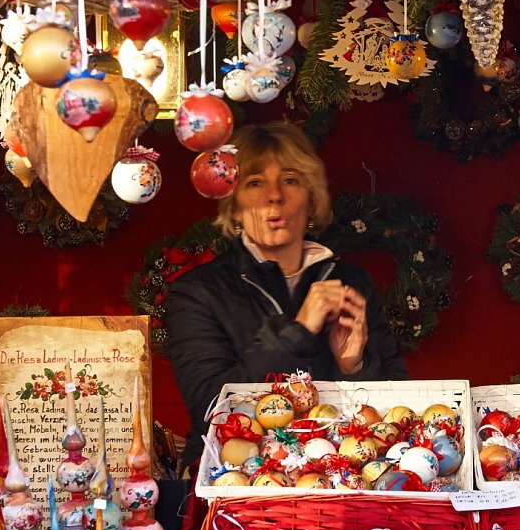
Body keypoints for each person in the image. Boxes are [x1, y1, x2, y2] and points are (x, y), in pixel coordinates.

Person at [166, 122, 409, 469]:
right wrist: (297, 331)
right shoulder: (198, 293)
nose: (274, 196)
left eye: (291, 181)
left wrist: (355, 366)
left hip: (340, 485)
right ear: (234, 206)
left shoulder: (351, 283)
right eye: (254, 183)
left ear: (311, 200)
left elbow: (399, 415)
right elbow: (210, 408)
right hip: (235, 491)